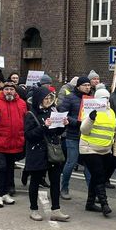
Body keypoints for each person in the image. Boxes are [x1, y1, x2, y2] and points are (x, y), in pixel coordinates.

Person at [25, 87, 70, 222]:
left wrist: (63, 125)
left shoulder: (53, 111)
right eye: (46, 99)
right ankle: (34, 209)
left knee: (55, 181)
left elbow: (55, 132)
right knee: (35, 181)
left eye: (50, 98)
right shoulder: (31, 114)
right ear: (39, 99)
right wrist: (43, 126)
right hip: (37, 152)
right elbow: (29, 135)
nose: (48, 101)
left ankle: (56, 209)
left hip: (52, 151)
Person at [80, 88, 116, 216]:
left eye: (107, 98)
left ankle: (90, 202)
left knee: (97, 176)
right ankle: (104, 203)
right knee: (99, 175)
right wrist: (90, 119)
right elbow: (84, 130)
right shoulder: (89, 110)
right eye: (103, 98)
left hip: (105, 150)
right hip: (89, 148)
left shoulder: (111, 112)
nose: (105, 100)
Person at [0, 81, 27, 208]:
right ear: (2, 90)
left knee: (10, 169)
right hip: (0, 142)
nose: (9, 91)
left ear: (15, 91)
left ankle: (6, 193)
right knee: (1, 168)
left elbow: (25, 120)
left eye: (11, 89)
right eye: (6, 89)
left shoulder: (22, 103)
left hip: (15, 142)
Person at [58, 76, 92, 200]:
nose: (87, 87)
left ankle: (92, 192)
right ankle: (64, 188)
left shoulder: (91, 99)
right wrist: (78, 122)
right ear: (78, 86)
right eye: (85, 85)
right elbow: (63, 114)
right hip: (73, 135)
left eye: (89, 85)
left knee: (89, 165)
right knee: (71, 162)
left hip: (87, 136)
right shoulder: (70, 97)